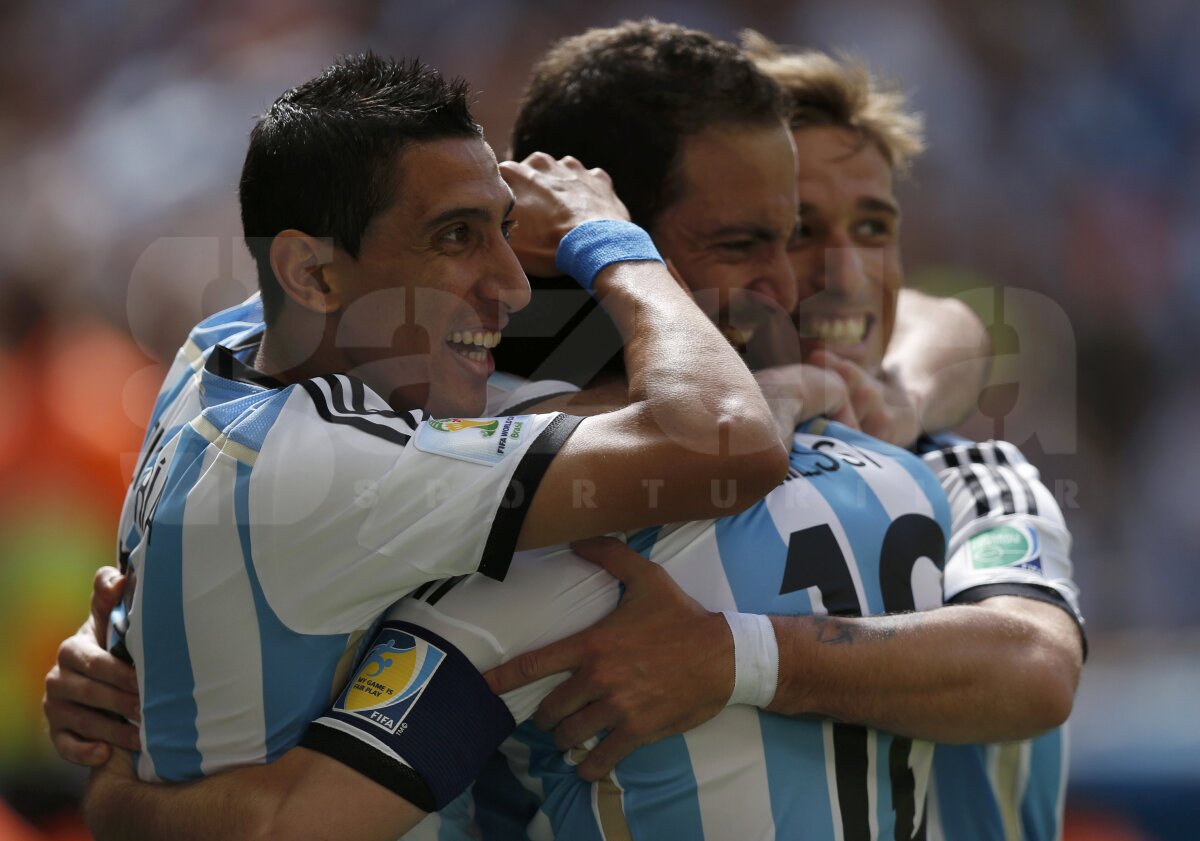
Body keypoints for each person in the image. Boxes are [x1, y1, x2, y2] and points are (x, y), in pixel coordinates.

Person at [53, 22, 1079, 841]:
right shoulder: (551, 516)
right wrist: (172, 638)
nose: (826, 275)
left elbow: (1034, 669)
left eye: (875, 227)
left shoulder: (949, 453)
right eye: (770, 234)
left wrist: (736, 656)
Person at [60, 46, 800, 826]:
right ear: (311, 275)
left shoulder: (218, 347)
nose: (514, 286)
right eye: (455, 238)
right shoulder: (330, 468)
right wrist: (607, 239)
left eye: (504, 230)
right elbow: (727, 442)